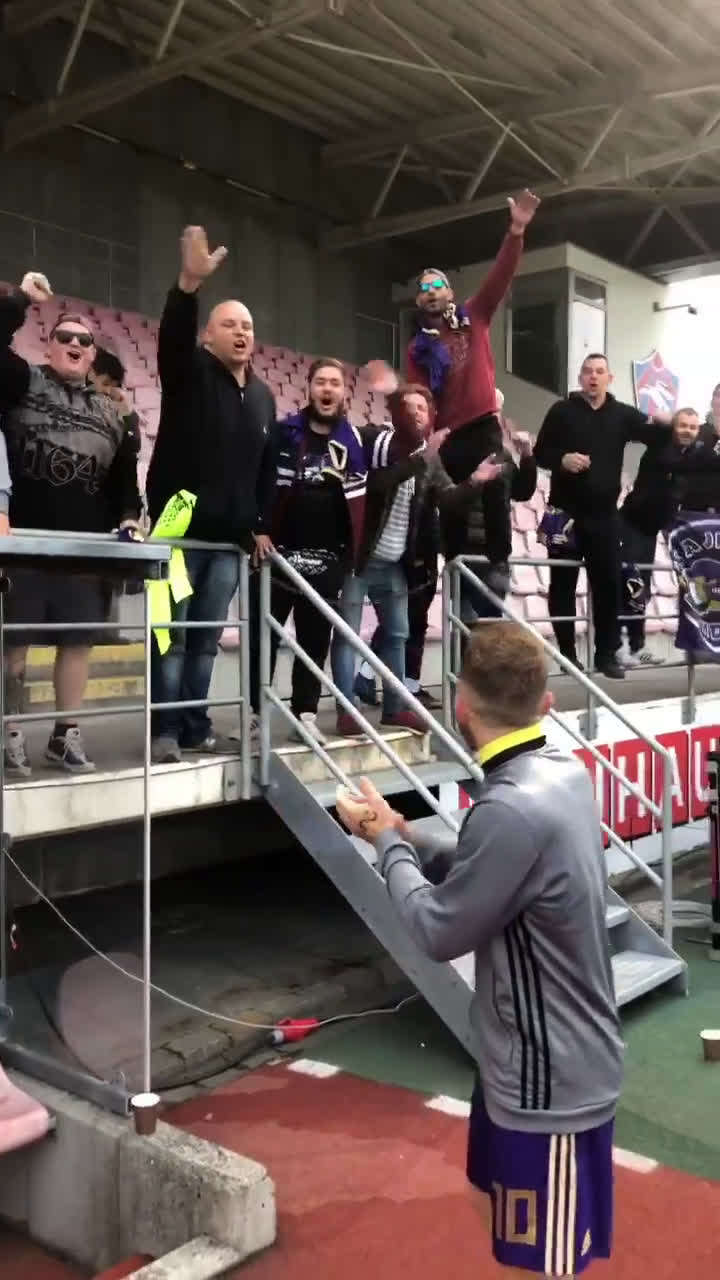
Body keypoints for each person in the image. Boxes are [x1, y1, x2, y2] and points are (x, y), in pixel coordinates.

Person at [336, 619, 624, 1278]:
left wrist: (386, 843)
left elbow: (438, 931)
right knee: (489, 1204)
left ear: (461, 704)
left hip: (550, 1078)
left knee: (541, 1262)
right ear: (546, 703)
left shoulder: (511, 806)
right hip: (514, 1061)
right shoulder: (559, 772)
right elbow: (494, 863)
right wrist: (409, 834)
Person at [0, 273, 142, 777]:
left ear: (92, 353)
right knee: (14, 646)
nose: (75, 345)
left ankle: (66, 736)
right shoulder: (21, 382)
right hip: (22, 544)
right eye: (65, 337)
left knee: (77, 643)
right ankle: (11, 734)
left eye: (84, 340)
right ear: (49, 344)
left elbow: (125, 482)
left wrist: (130, 518)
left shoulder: (110, 412)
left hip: (83, 548)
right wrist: (21, 301)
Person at [146, 227, 276, 764]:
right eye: (229, 324)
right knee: (168, 636)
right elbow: (172, 340)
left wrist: (259, 524)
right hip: (175, 529)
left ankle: (195, 724)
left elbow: (266, 469)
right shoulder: (190, 371)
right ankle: (164, 728)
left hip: (229, 542)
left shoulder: (264, 396)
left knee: (204, 640)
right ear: (208, 336)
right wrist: (187, 287)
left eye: (247, 326)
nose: (241, 332)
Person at [331, 384, 500, 737]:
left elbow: (448, 499)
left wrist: (474, 481)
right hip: (359, 560)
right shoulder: (377, 442)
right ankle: (347, 711)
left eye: (422, 408)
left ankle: (394, 709)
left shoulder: (430, 457)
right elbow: (374, 485)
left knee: (398, 633)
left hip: (394, 563)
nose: (416, 414)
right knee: (347, 635)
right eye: (408, 408)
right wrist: (419, 460)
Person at [249, 358, 367, 745]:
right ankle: (254, 714)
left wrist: (349, 555)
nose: (327, 389)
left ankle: (305, 715)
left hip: (328, 560)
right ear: (309, 388)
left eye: (334, 383)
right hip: (277, 555)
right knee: (262, 638)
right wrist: (259, 529)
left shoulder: (354, 442)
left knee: (314, 643)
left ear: (344, 392)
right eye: (320, 382)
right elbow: (261, 482)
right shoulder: (284, 433)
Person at [534, 353, 668, 679]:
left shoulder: (622, 414)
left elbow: (656, 437)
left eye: (599, 371)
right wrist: (562, 459)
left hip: (605, 515)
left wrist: (669, 422)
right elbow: (540, 453)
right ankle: (567, 654)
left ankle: (605, 654)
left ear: (610, 378)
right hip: (565, 512)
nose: (593, 377)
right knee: (562, 585)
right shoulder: (562, 410)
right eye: (587, 371)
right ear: (580, 377)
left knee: (608, 583)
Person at [406, 188, 539, 492]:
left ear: (450, 293)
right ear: (418, 300)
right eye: (424, 288)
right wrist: (428, 440)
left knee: (493, 504)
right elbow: (419, 400)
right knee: (455, 513)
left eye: (437, 285)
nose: (431, 291)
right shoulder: (416, 349)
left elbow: (500, 276)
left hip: (483, 430)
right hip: (448, 439)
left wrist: (516, 231)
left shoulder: (474, 315)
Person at [620, 406, 720, 664]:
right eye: (682, 425)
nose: (687, 431)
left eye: (693, 427)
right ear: (674, 427)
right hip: (632, 522)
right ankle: (618, 645)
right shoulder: (660, 444)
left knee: (643, 584)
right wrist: (661, 420)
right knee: (630, 581)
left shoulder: (695, 453)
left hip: (654, 527)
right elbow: (671, 457)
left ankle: (637, 646)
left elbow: (710, 463)